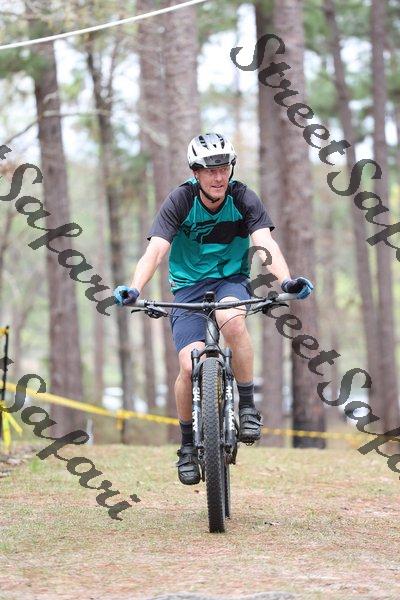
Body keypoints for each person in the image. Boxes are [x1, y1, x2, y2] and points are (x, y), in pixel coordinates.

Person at [113, 132, 313, 485]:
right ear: (195, 173)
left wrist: (286, 282)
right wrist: (135, 288)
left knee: (231, 319)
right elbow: (156, 250)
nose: (218, 177)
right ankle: (187, 446)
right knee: (188, 365)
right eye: (209, 171)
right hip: (188, 288)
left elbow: (265, 242)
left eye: (223, 168)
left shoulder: (243, 197)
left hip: (230, 281)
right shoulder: (180, 200)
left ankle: (247, 405)